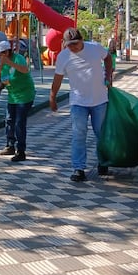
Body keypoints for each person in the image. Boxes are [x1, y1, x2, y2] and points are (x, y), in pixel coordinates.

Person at [49, 27, 114, 181]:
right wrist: (52, 96)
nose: (73, 47)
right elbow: (57, 78)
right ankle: (78, 168)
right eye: (69, 45)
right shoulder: (63, 56)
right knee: (78, 134)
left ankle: (103, 162)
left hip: (99, 100)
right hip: (78, 102)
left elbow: (108, 58)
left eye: (75, 44)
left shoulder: (95, 48)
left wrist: (108, 75)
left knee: (101, 133)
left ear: (82, 40)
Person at [0, 40, 36, 162]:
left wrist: (9, 62)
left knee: (19, 123)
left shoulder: (18, 58)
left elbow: (25, 70)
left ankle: (21, 151)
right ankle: (10, 145)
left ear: (6, 52)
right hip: (13, 96)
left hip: (25, 96)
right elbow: (5, 80)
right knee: (9, 120)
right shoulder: (3, 65)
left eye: (0, 54)